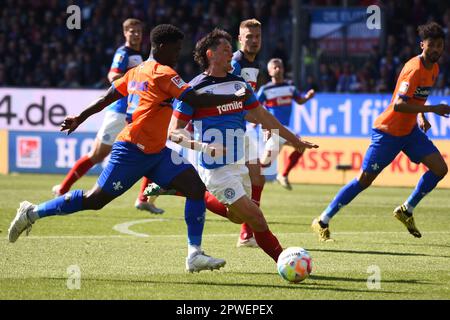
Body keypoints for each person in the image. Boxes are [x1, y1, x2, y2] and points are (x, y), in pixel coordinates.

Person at [8, 24, 251, 272]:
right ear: (161, 47)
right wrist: (235, 97)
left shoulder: (137, 71)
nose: (178, 54)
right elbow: (196, 99)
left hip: (157, 153)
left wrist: (80, 117)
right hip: (131, 151)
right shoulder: (163, 73)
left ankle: (194, 254)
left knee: (195, 188)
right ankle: (32, 212)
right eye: (176, 49)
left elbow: (106, 98)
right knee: (95, 200)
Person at [167, 29, 319, 263]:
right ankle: (288, 262)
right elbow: (174, 133)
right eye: (226, 50)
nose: (232, 54)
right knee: (256, 217)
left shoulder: (240, 86)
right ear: (211, 54)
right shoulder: (193, 90)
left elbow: (264, 117)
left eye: (231, 49)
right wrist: (204, 147)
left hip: (239, 164)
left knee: (237, 217)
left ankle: (182, 190)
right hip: (215, 168)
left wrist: (295, 140)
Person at [312, 22, 450, 242]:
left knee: (440, 168)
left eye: (440, 45)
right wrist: (433, 110)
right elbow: (399, 105)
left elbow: (418, 97)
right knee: (364, 181)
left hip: (410, 132)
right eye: (431, 45)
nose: (436, 49)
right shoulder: (413, 69)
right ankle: (323, 220)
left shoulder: (434, 68)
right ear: (422, 44)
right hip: (387, 132)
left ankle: (406, 210)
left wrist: (422, 116)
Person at [51, 18, 164, 214]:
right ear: (125, 33)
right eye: (132, 31)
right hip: (119, 111)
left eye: (138, 31)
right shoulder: (124, 53)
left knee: (152, 151)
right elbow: (112, 76)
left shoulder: (140, 55)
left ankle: (143, 199)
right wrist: (133, 81)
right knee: (97, 155)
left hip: (133, 112)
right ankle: (63, 188)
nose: (136, 34)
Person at [230, 19, 265, 248]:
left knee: (257, 178)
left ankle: (247, 233)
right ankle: (173, 188)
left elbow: (250, 101)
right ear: (239, 39)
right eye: (248, 37)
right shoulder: (235, 63)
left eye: (257, 37)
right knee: (226, 184)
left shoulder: (254, 65)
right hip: (226, 129)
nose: (253, 41)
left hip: (241, 128)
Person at [258, 58, 315, 190]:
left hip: (286, 128)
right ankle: (248, 177)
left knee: (301, 146)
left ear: (283, 69)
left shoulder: (290, 87)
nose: (278, 69)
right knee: (264, 164)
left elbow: (299, 100)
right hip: (274, 130)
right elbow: (256, 109)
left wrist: (308, 97)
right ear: (269, 71)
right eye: (275, 67)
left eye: (280, 67)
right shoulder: (265, 90)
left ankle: (283, 175)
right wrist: (263, 125)